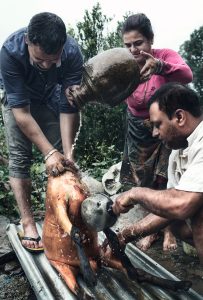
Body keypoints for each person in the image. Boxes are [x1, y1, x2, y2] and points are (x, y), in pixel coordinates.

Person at [0, 12, 83, 252]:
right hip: (20, 104)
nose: (46, 65)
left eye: (52, 60)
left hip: (51, 97)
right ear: (28, 41)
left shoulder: (72, 52)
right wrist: (48, 153)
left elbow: (69, 106)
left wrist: (67, 152)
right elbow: (22, 114)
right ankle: (28, 223)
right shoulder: (10, 53)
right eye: (39, 60)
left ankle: (59, 219)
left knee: (63, 162)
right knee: (19, 157)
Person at [119, 13, 193, 251]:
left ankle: (169, 231)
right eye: (128, 45)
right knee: (143, 178)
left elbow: (186, 74)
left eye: (138, 43)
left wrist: (161, 67)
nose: (133, 50)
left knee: (166, 175)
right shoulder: (124, 65)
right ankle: (150, 229)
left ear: (150, 40)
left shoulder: (163, 57)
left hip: (165, 126)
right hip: (137, 127)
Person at [113, 82, 203, 264]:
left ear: (179, 117)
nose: (154, 133)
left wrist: (135, 193)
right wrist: (125, 236)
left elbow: (181, 205)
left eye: (157, 125)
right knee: (175, 221)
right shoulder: (177, 152)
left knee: (198, 213)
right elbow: (168, 210)